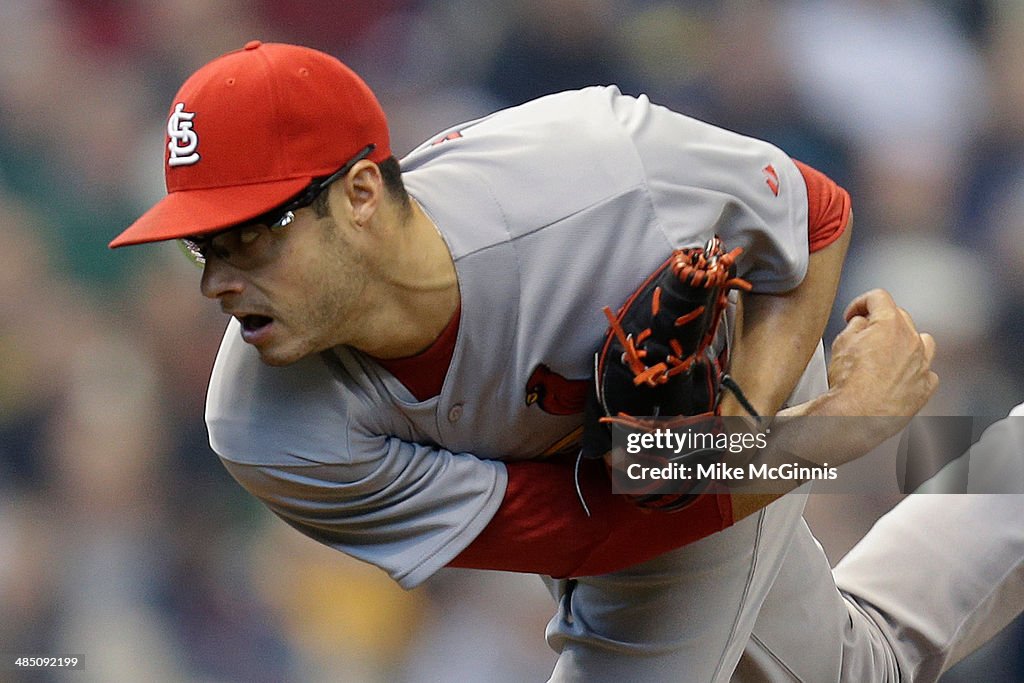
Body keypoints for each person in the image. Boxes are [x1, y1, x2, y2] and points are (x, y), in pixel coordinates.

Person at [110, 41, 1022, 682]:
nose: (217, 284)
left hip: (726, 388)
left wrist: (748, 431)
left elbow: (813, 215)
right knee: (853, 668)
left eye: (246, 239)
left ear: (356, 194)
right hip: (634, 490)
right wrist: (825, 437)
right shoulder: (264, 424)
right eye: (202, 248)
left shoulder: (594, 174)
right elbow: (582, 530)